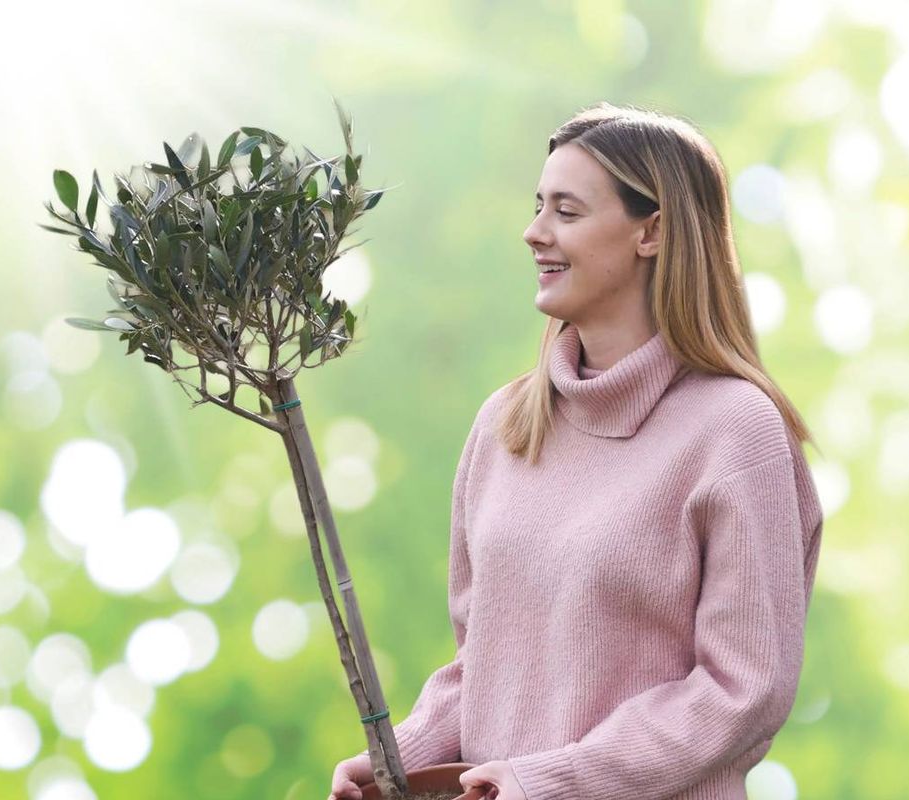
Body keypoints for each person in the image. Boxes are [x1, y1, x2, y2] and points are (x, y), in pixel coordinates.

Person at [330, 101, 824, 800]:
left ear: (650, 231)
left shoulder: (735, 432)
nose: (533, 233)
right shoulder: (505, 426)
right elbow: (485, 664)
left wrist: (556, 780)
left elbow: (741, 693)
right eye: (538, 206)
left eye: (566, 210)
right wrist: (396, 757)